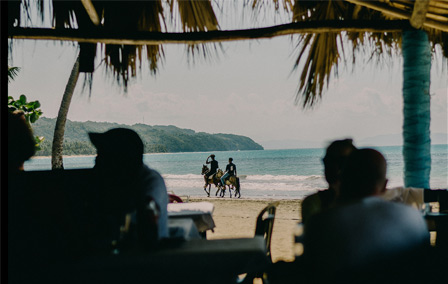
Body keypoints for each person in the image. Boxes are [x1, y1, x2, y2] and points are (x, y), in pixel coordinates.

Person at [302, 149, 430, 283]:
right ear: (385, 186)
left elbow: (311, 272)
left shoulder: (320, 222)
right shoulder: (413, 217)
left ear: (343, 179)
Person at [87, 128, 169, 251]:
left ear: (121, 159)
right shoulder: (111, 181)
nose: (97, 159)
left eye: (103, 154)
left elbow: (149, 211)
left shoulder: (149, 180)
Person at [301, 139, 357, 224]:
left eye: (342, 161)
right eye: (329, 161)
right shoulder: (314, 203)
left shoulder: (314, 203)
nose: (335, 167)